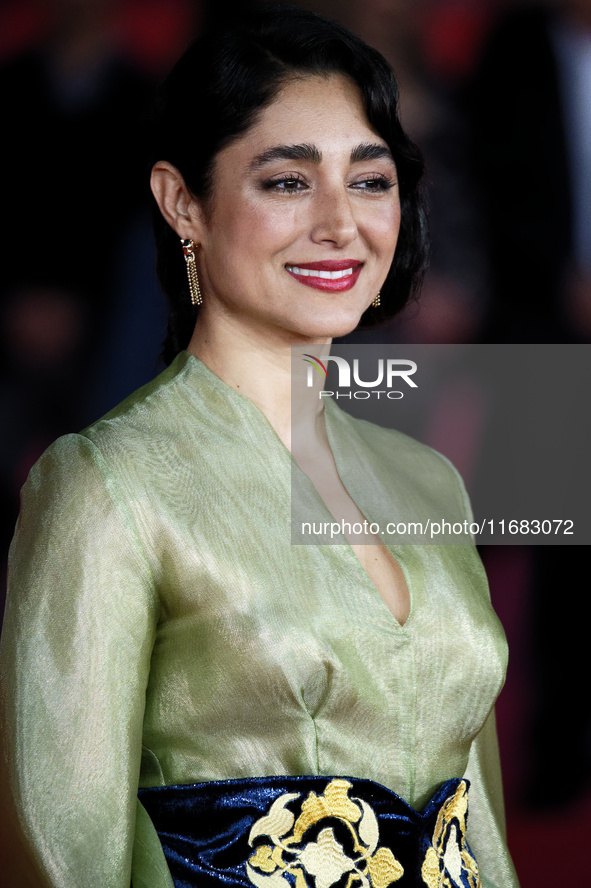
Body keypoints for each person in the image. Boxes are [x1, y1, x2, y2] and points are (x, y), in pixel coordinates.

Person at [0, 7, 519, 888]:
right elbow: (62, 853)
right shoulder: (106, 483)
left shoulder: (430, 480)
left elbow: (483, 830)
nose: (340, 223)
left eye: (370, 179)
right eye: (286, 182)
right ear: (182, 203)